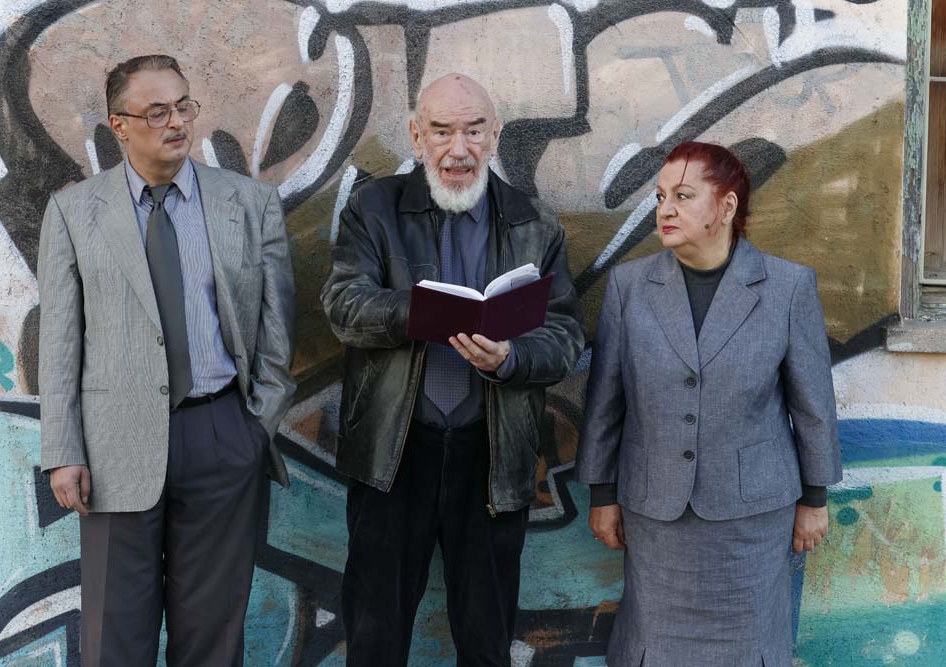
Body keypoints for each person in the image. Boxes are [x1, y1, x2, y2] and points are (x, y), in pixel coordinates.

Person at [37, 54, 296, 666]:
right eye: (156, 112)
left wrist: (255, 427)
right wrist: (63, 450)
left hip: (221, 433)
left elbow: (277, 328)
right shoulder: (74, 212)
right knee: (114, 639)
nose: (176, 122)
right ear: (119, 125)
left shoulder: (249, 203)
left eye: (183, 106)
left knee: (212, 638)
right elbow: (60, 343)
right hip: (113, 446)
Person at [321, 73, 584, 666]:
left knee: (487, 641)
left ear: (495, 136)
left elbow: (565, 335)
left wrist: (512, 358)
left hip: (492, 455)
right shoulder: (374, 209)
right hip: (394, 452)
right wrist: (420, 311)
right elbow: (343, 306)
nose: (458, 149)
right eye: (441, 132)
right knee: (375, 638)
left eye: (473, 131)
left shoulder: (535, 225)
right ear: (417, 137)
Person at [574, 141, 842, 666]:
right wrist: (602, 493)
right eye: (660, 197)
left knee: (749, 649)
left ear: (726, 206)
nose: (665, 209)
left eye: (683, 195)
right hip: (656, 518)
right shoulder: (630, 287)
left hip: (752, 521)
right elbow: (606, 398)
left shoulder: (787, 287)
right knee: (653, 648)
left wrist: (814, 499)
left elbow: (813, 404)